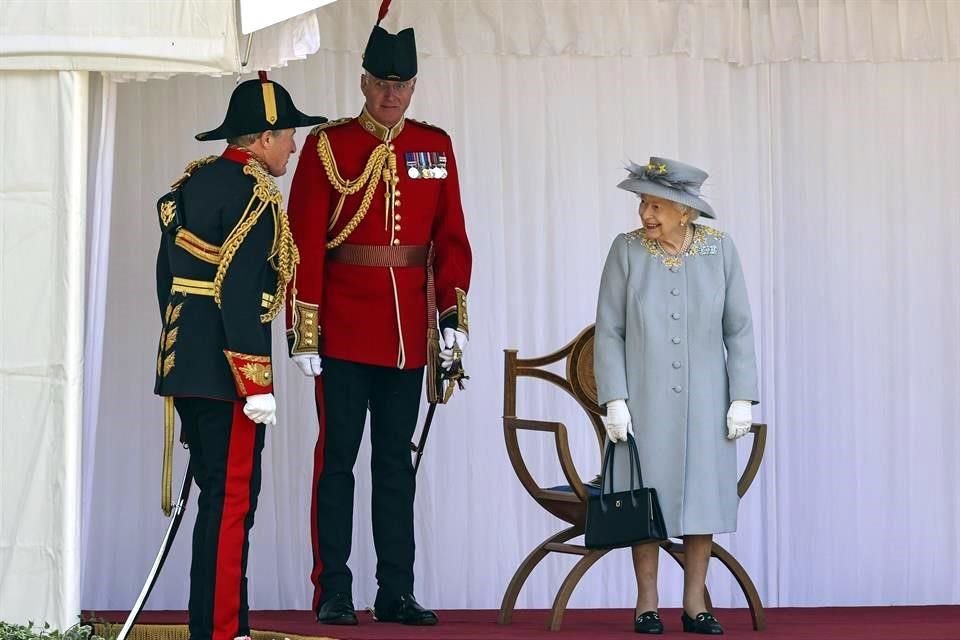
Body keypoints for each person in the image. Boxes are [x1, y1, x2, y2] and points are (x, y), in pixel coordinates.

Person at [284, 4, 472, 628]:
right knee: (336, 463)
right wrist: (303, 327)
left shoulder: (433, 146)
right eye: (382, 83)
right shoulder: (327, 145)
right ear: (363, 81)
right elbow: (305, 239)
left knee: (396, 466)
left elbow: (451, 241)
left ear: (414, 87)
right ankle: (332, 588)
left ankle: (395, 589)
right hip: (340, 329)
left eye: (402, 85)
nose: (392, 95)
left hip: (405, 342)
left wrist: (451, 322)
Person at [153, 73, 326, 640]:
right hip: (230, 378)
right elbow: (239, 293)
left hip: (185, 367)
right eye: (287, 135)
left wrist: (185, 356)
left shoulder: (191, 185)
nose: (294, 146)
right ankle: (223, 632)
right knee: (231, 509)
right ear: (262, 138)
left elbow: (168, 282)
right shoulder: (257, 196)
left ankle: (220, 624)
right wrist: (255, 385)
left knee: (217, 506)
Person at [594, 157, 758, 635]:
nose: (645, 214)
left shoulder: (720, 250)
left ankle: (694, 605)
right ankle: (647, 602)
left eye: (656, 205)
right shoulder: (626, 251)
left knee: (701, 498)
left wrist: (742, 396)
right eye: (643, 203)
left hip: (708, 400)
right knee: (647, 498)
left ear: (685, 210)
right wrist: (615, 398)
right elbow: (610, 332)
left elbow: (739, 329)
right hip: (643, 401)